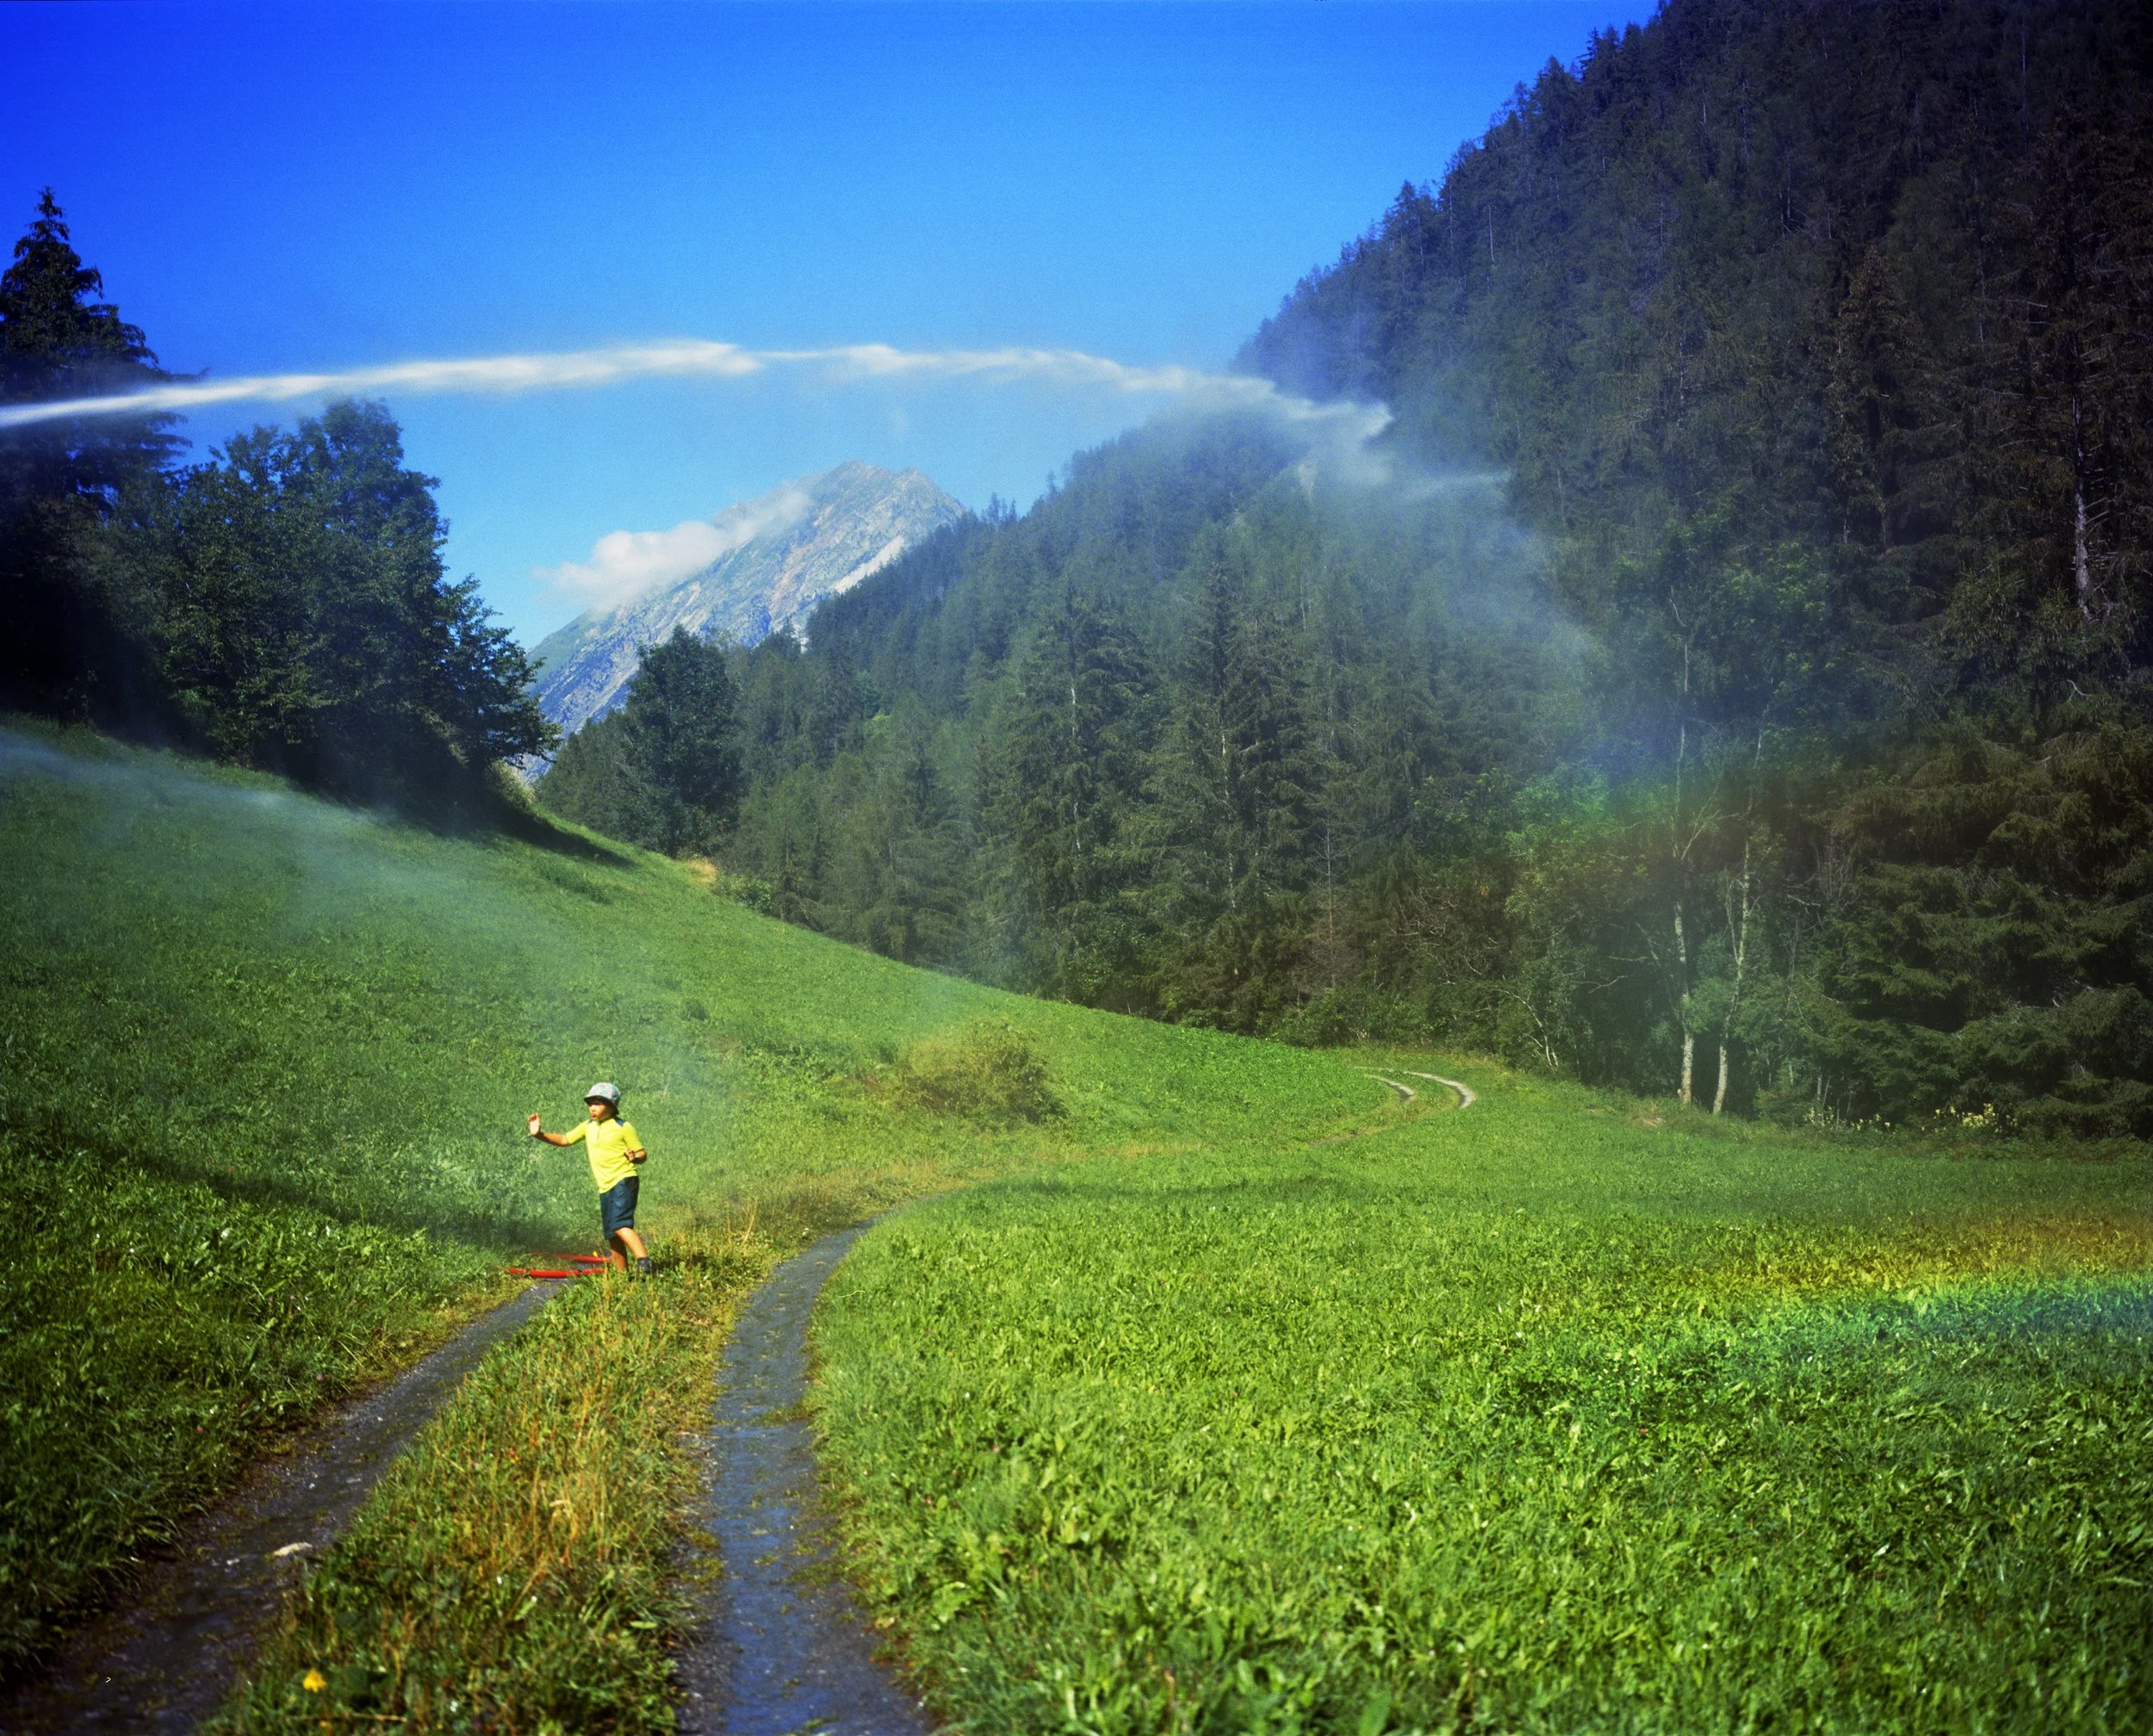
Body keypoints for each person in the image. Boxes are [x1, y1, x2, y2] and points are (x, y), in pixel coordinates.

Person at [529, 1082, 652, 1275]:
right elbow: (564, 1140)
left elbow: (642, 1153)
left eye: (598, 1103)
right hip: (605, 1186)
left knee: (620, 1224)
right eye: (590, 1104)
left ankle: (645, 1263)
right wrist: (539, 1135)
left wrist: (634, 1157)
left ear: (611, 1106)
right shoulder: (587, 1126)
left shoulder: (623, 1127)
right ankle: (622, 1277)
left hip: (624, 1179)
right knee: (612, 1233)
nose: (592, 1108)